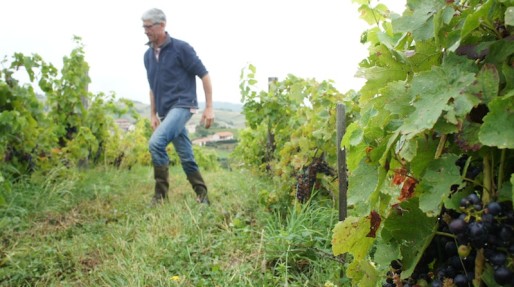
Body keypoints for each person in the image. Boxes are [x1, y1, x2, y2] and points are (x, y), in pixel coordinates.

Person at [141, 8, 214, 205]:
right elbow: (153, 88)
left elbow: (204, 75)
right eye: (143, 26)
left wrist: (209, 107)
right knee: (186, 156)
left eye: (148, 26)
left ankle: (160, 197)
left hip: (183, 105)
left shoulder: (181, 48)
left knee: (156, 143)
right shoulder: (147, 56)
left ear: (162, 25)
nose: (145, 30)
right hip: (165, 112)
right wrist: (153, 114)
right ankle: (203, 197)